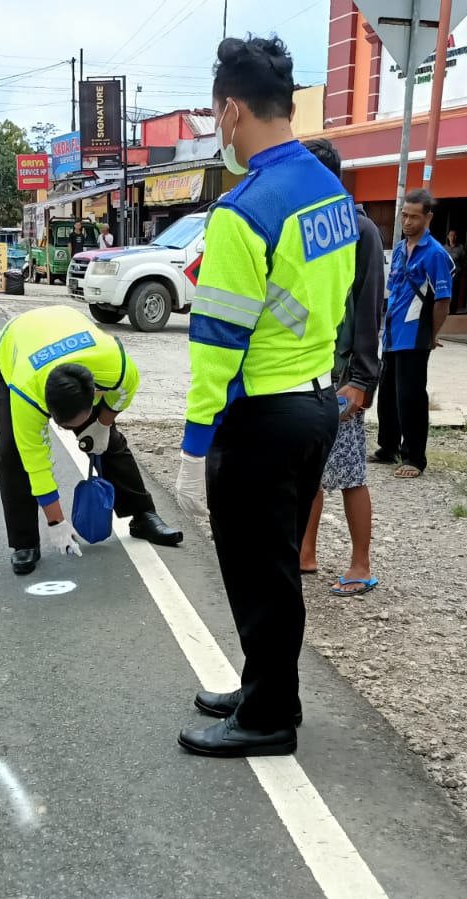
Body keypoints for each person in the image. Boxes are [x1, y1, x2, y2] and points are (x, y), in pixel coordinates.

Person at [172, 35, 356, 758]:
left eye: (219, 114)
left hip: (261, 416)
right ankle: (264, 686)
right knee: (274, 564)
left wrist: (193, 446)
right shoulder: (329, 188)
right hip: (315, 404)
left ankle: (269, 717)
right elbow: (336, 297)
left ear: (232, 108)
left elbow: (216, 340)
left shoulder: (244, 209)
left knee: (259, 573)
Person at [0, 306, 183, 575]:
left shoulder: (114, 365)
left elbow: (124, 394)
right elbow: (35, 461)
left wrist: (101, 425)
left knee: (109, 441)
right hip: (15, 344)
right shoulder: (26, 392)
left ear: (93, 391)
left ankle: (143, 515)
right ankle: (24, 542)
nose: (73, 430)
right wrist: (56, 521)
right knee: (13, 453)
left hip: (66, 329)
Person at [300, 138, 384, 599]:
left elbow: (370, 307)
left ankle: (360, 564)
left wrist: (361, 379)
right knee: (311, 468)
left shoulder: (359, 230)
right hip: (310, 368)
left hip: (345, 374)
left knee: (350, 471)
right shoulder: (309, 227)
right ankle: (305, 551)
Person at [372, 188, 452, 479]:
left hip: (416, 336)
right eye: (404, 215)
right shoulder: (399, 251)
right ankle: (388, 447)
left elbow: (443, 299)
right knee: (388, 395)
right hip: (392, 334)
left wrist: (433, 334)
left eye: (413, 217)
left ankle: (414, 457)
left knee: (411, 397)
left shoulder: (435, 254)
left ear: (428, 217)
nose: (407, 222)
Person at [445, 229, 467, 314]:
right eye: (451, 235)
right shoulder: (444, 248)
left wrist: (461, 270)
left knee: (454, 293)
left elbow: (464, 261)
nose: (452, 237)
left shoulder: (460, 248)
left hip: (456, 274)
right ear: (448, 237)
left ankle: (452, 311)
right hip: (445, 275)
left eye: (454, 235)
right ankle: (444, 311)